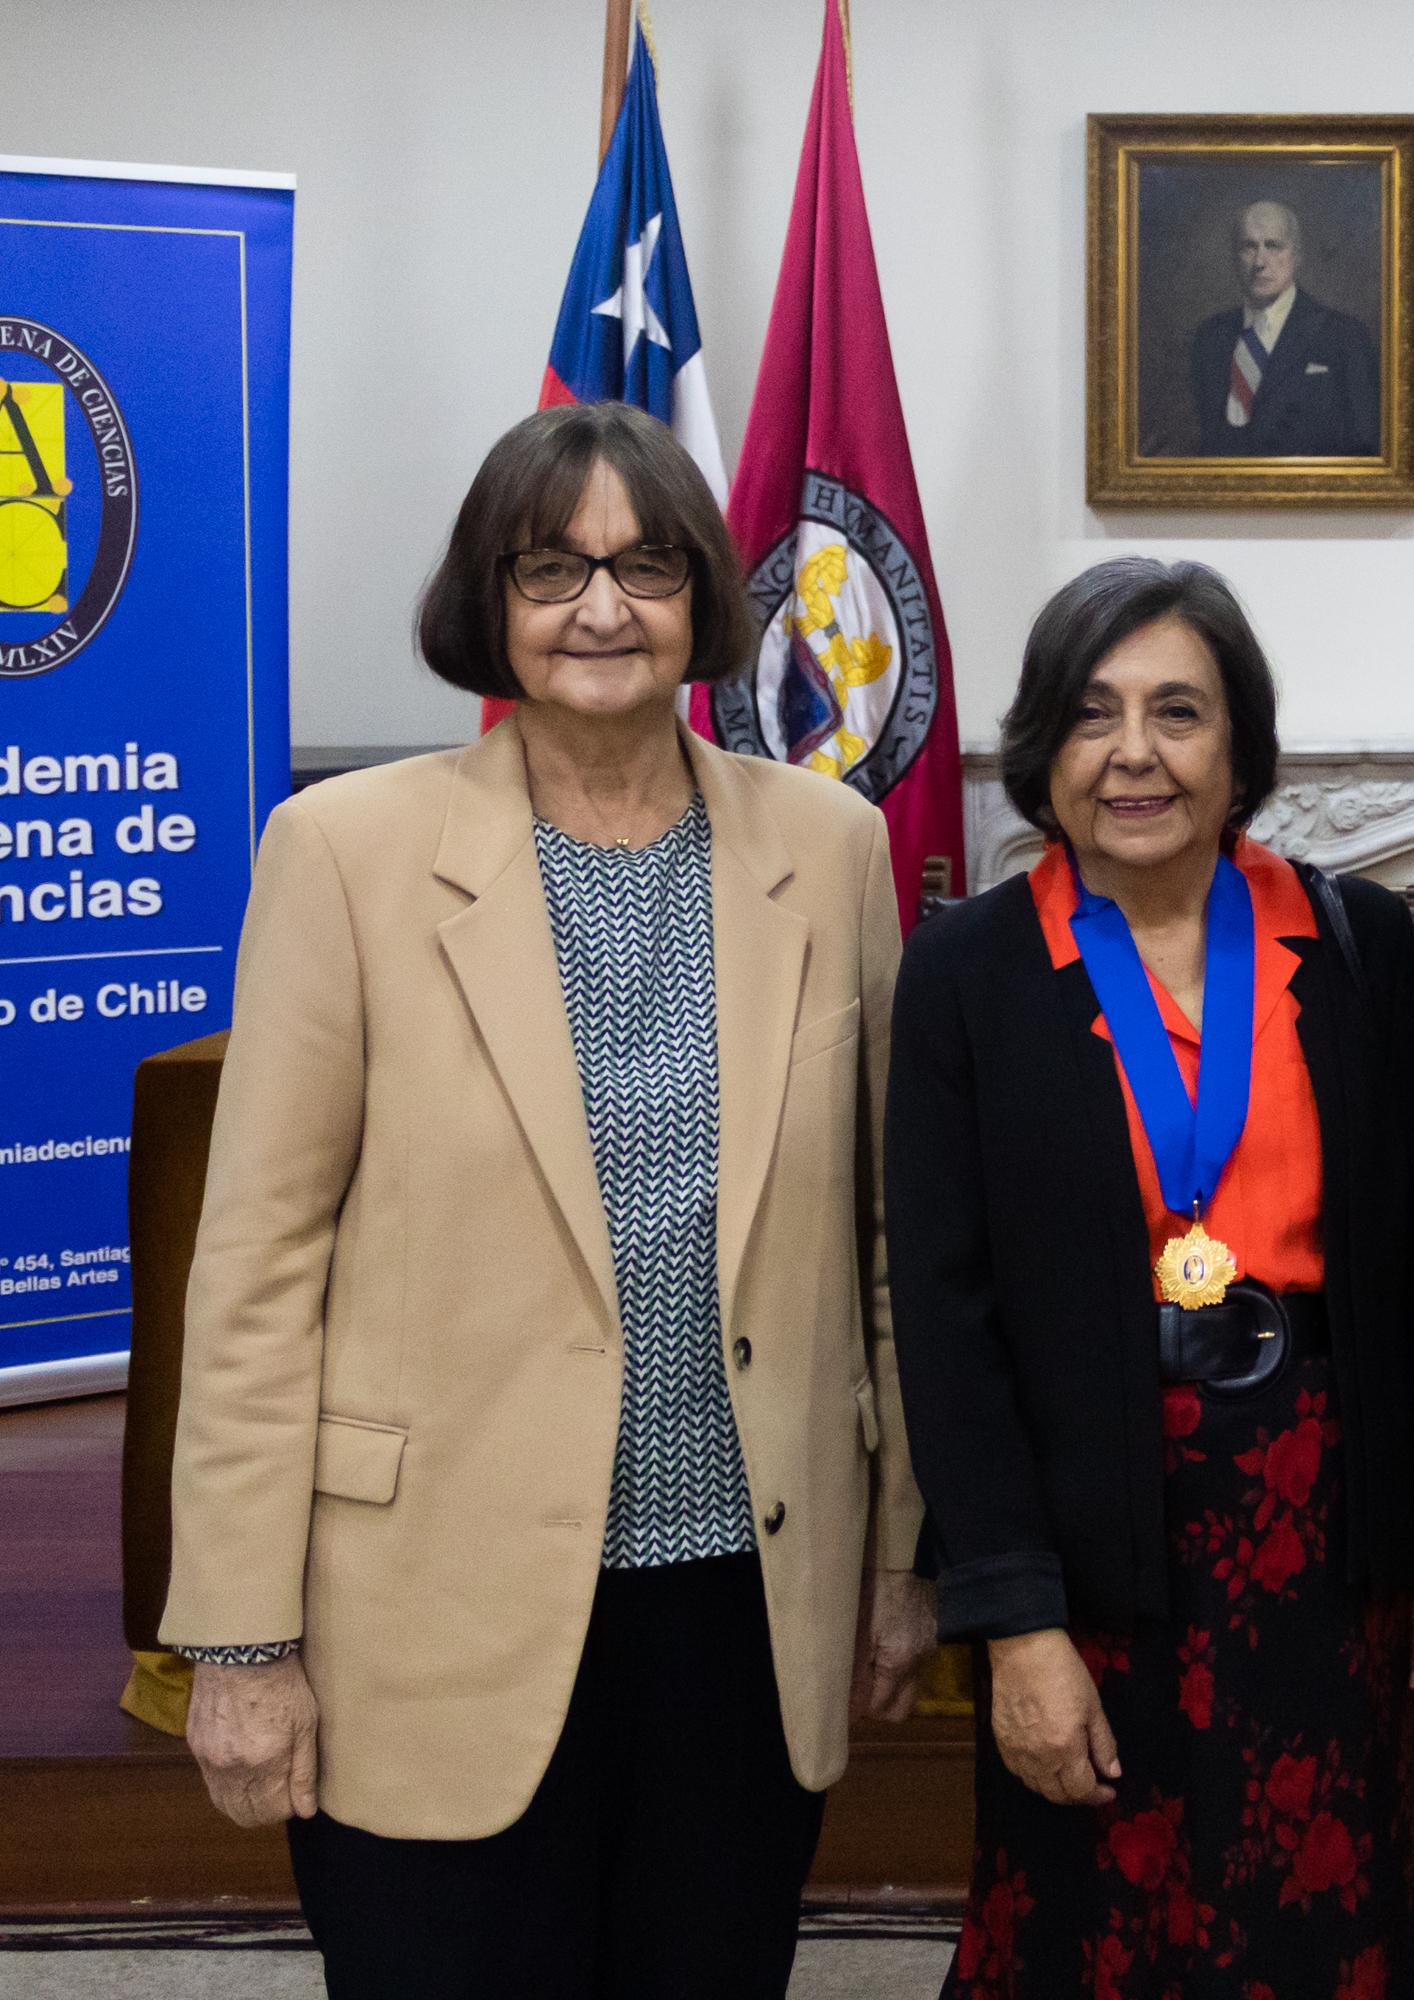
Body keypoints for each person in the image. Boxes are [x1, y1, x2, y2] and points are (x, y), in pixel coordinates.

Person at [157, 400, 934, 1997]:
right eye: (552, 568)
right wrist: (240, 1639)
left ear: (706, 596)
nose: (601, 608)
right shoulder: (345, 854)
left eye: (647, 565)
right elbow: (253, 1271)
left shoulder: (831, 845)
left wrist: (901, 1554)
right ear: (487, 602)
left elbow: (887, 1243)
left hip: (741, 1601)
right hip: (427, 1606)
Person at [886, 556, 1414, 1998]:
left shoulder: (1345, 944)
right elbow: (949, 1329)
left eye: (1179, 712)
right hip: (1089, 1537)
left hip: (1324, 1534)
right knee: (1093, 1926)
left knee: (1314, 1922)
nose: (1136, 755)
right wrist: (1015, 1626)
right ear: (1044, 748)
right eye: (1094, 716)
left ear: (1240, 748)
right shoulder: (967, 971)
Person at [1187, 199, 1382, 457]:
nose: (1260, 261)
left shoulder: (1344, 337)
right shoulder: (1210, 337)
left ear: (1297, 256)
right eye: (1249, 247)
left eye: (1273, 246)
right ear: (1235, 257)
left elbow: (1365, 444)